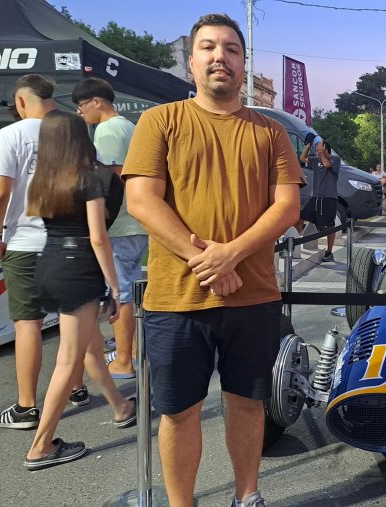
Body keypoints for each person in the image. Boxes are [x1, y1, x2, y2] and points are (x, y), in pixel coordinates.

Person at [122, 13, 303, 507]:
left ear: (245, 65)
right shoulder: (160, 121)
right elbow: (142, 200)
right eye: (207, 47)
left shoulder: (270, 133)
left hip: (253, 296)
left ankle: (247, 495)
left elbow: (286, 207)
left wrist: (231, 256)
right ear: (192, 61)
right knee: (179, 411)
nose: (219, 56)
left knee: (247, 405)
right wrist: (206, 260)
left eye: (231, 49)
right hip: (176, 298)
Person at [21, 110, 135, 470]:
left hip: (49, 264)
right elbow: (98, 237)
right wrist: (114, 287)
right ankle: (41, 445)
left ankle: (119, 406)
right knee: (68, 359)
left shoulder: (43, 180)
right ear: (80, 138)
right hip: (79, 268)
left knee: (90, 347)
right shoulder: (89, 179)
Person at [0, 74, 86, 429]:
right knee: (70, 319)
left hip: (25, 242)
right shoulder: (72, 135)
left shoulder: (9, 135)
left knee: (28, 322)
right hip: (68, 240)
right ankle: (75, 386)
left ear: (19, 101)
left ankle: (26, 406)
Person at [71, 77, 144, 379]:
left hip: (119, 224)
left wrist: (98, 221)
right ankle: (134, 352)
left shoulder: (108, 130)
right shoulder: (127, 126)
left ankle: (125, 359)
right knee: (131, 291)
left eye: (81, 105)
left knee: (121, 293)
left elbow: (112, 179)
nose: (79, 112)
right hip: (134, 222)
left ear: (97, 102)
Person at [298, 135, 340, 263]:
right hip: (315, 197)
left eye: (319, 149)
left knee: (328, 226)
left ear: (326, 150)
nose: (317, 152)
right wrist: (309, 145)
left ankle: (329, 251)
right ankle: (292, 246)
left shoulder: (335, 159)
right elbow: (303, 158)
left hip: (329, 198)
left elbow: (327, 164)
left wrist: (321, 152)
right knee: (300, 216)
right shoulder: (316, 160)